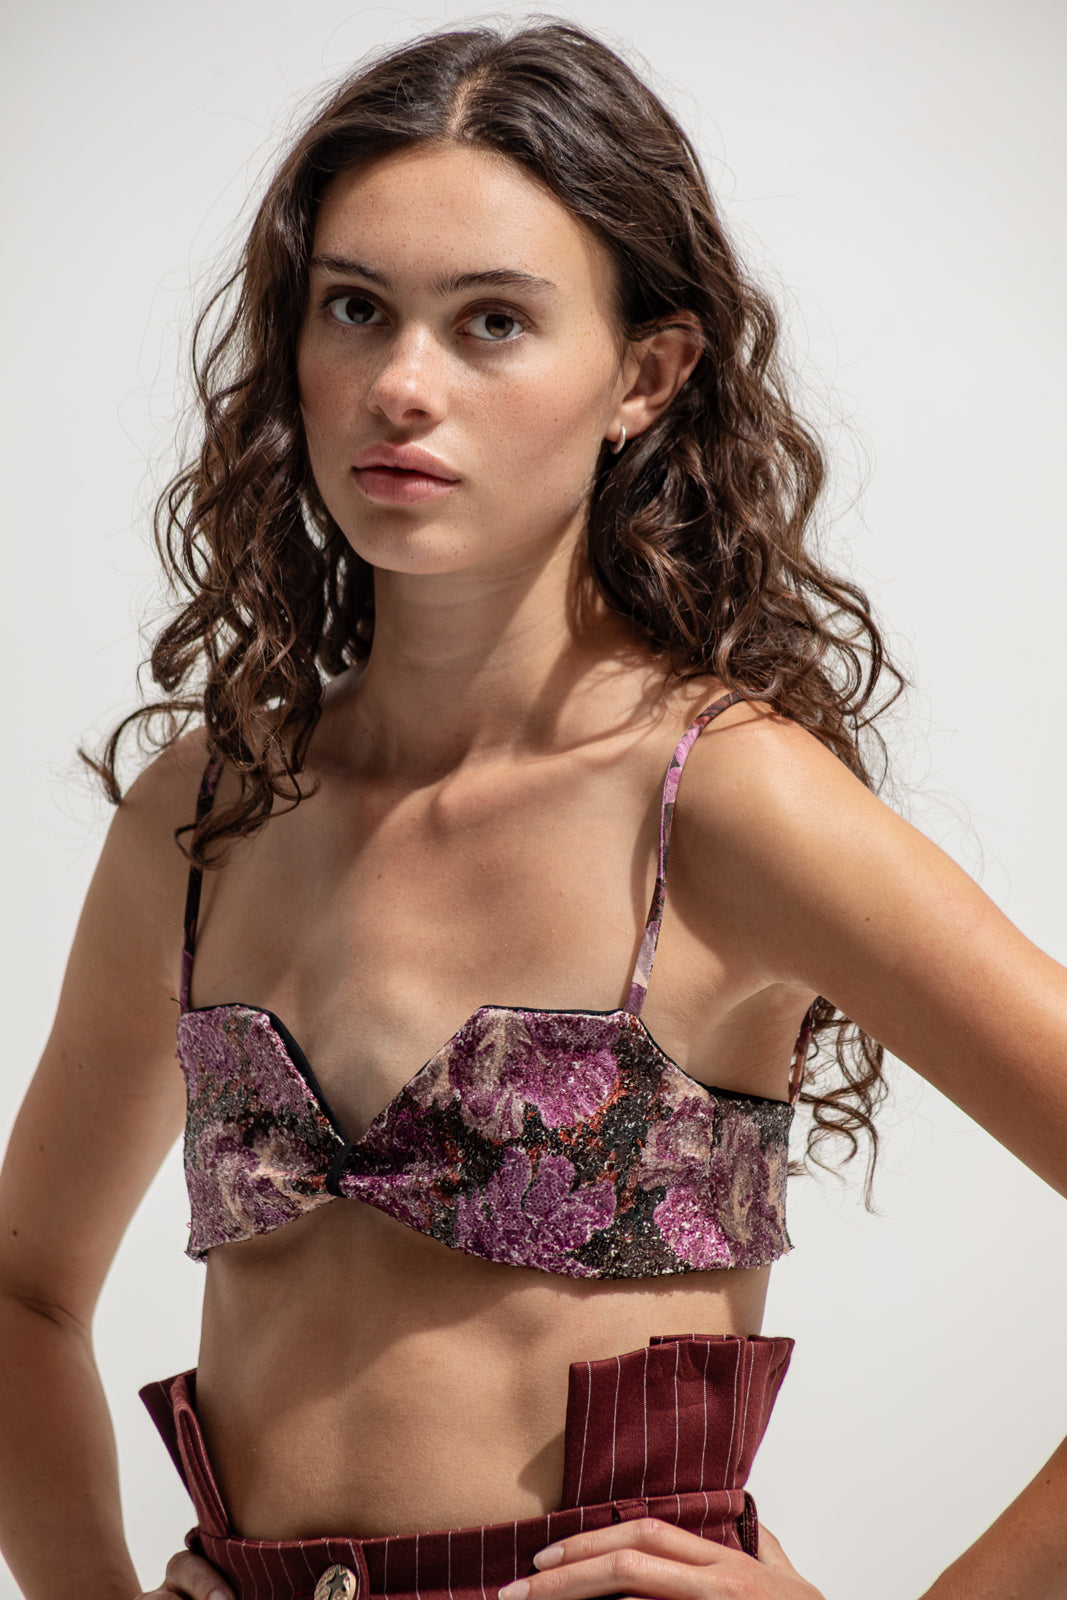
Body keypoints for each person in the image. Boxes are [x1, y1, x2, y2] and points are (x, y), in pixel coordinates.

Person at [0, 18, 1064, 1600]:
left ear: (645, 375)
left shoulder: (722, 800)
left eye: (491, 321)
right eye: (355, 308)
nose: (401, 385)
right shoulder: (210, 812)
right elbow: (24, 1294)